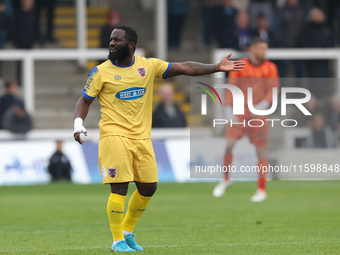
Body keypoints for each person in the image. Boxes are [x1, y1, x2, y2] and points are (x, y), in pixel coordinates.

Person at [73, 25, 245, 252]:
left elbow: (186, 67)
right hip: (114, 135)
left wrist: (216, 67)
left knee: (148, 187)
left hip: (141, 137)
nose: (112, 43)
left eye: (117, 40)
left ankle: (127, 231)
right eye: (111, 39)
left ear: (131, 45)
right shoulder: (100, 72)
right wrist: (78, 122)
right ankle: (117, 241)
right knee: (120, 188)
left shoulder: (148, 66)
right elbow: (84, 101)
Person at [213, 37, 279, 202]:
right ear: (253, 49)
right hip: (240, 113)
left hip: (259, 115)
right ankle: (226, 179)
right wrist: (228, 109)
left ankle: (261, 189)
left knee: (260, 151)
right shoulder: (240, 65)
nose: (264, 51)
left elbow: (273, 89)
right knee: (229, 145)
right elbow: (231, 88)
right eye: (262, 48)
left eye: (266, 48)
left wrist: (263, 106)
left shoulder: (271, 68)